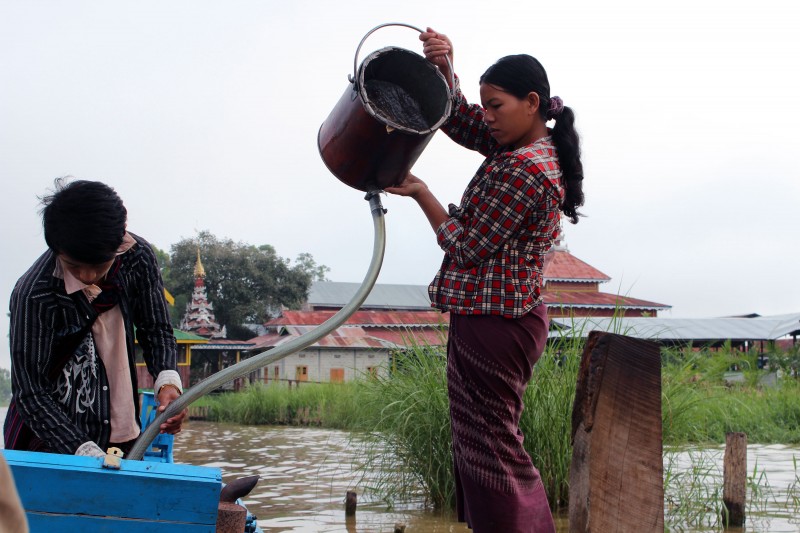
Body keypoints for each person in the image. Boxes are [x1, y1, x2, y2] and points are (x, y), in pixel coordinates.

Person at [385, 28, 585, 532]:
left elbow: (467, 245)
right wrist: (445, 64)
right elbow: (460, 120)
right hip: (502, 317)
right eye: (485, 105)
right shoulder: (521, 146)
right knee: (485, 444)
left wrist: (421, 192)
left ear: (532, 103)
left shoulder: (525, 170)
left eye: (496, 105)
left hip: (497, 323)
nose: (487, 116)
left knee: (493, 449)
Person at [3, 179, 187, 458]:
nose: (88, 276)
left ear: (120, 241)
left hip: (122, 429)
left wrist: (168, 382)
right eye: (74, 265)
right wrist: (83, 451)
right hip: (54, 439)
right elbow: (31, 391)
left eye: (99, 264)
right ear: (56, 248)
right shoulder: (34, 294)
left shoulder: (137, 258)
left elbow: (156, 329)